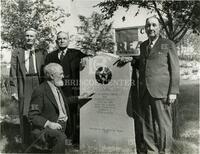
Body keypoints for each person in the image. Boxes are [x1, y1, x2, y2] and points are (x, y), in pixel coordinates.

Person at [28, 63, 93, 153]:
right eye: (61, 74)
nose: (63, 76)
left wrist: (79, 97)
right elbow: (32, 116)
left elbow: (62, 102)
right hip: (48, 128)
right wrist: (49, 123)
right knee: (60, 138)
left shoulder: (57, 87)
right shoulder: (39, 91)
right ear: (51, 76)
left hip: (64, 125)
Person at [138, 16, 180, 154]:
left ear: (159, 27)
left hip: (161, 92)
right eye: (148, 25)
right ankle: (151, 150)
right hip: (145, 92)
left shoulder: (168, 44)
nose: (151, 28)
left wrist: (173, 91)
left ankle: (165, 151)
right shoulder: (143, 45)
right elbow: (143, 64)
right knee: (147, 124)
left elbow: (175, 69)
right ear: (145, 28)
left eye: (154, 25)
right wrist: (127, 61)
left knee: (164, 126)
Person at [45, 31, 89, 145]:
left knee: (72, 113)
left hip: (72, 87)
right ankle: (59, 137)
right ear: (56, 41)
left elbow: (88, 58)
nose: (62, 40)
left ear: (68, 40)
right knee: (58, 112)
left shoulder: (76, 53)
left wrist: (86, 59)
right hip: (57, 89)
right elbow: (45, 74)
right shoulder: (50, 56)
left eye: (64, 38)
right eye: (59, 39)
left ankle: (73, 138)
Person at [10, 28, 46, 145]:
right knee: (25, 113)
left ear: (36, 38)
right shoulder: (17, 52)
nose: (29, 38)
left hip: (38, 82)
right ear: (24, 37)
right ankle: (26, 142)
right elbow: (13, 72)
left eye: (31, 36)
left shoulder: (41, 52)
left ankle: (40, 141)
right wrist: (14, 91)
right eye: (27, 36)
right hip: (23, 84)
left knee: (38, 111)